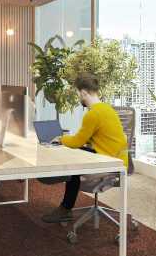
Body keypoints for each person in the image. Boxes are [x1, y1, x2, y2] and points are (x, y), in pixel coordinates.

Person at [41, 74, 129, 223]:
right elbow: (92, 137)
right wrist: (71, 139)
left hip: (111, 162)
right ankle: (62, 198)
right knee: (76, 154)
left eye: (77, 93)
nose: (78, 97)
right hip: (117, 157)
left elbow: (76, 142)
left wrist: (61, 138)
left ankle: (65, 209)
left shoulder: (93, 114)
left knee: (74, 167)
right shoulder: (106, 108)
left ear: (83, 92)